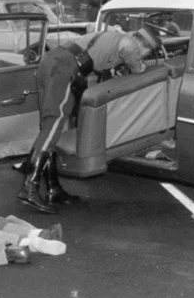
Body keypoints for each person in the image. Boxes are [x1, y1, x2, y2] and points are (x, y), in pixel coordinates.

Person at [17, 25, 163, 214]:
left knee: (49, 128)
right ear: (145, 47)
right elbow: (131, 54)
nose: (143, 55)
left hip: (52, 62)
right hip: (64, 67)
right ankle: (30, 188)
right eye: (146, 53)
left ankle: (53, 189)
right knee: (53, 125)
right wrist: (140, 67)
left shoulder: (113, 38)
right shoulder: (129, 43)